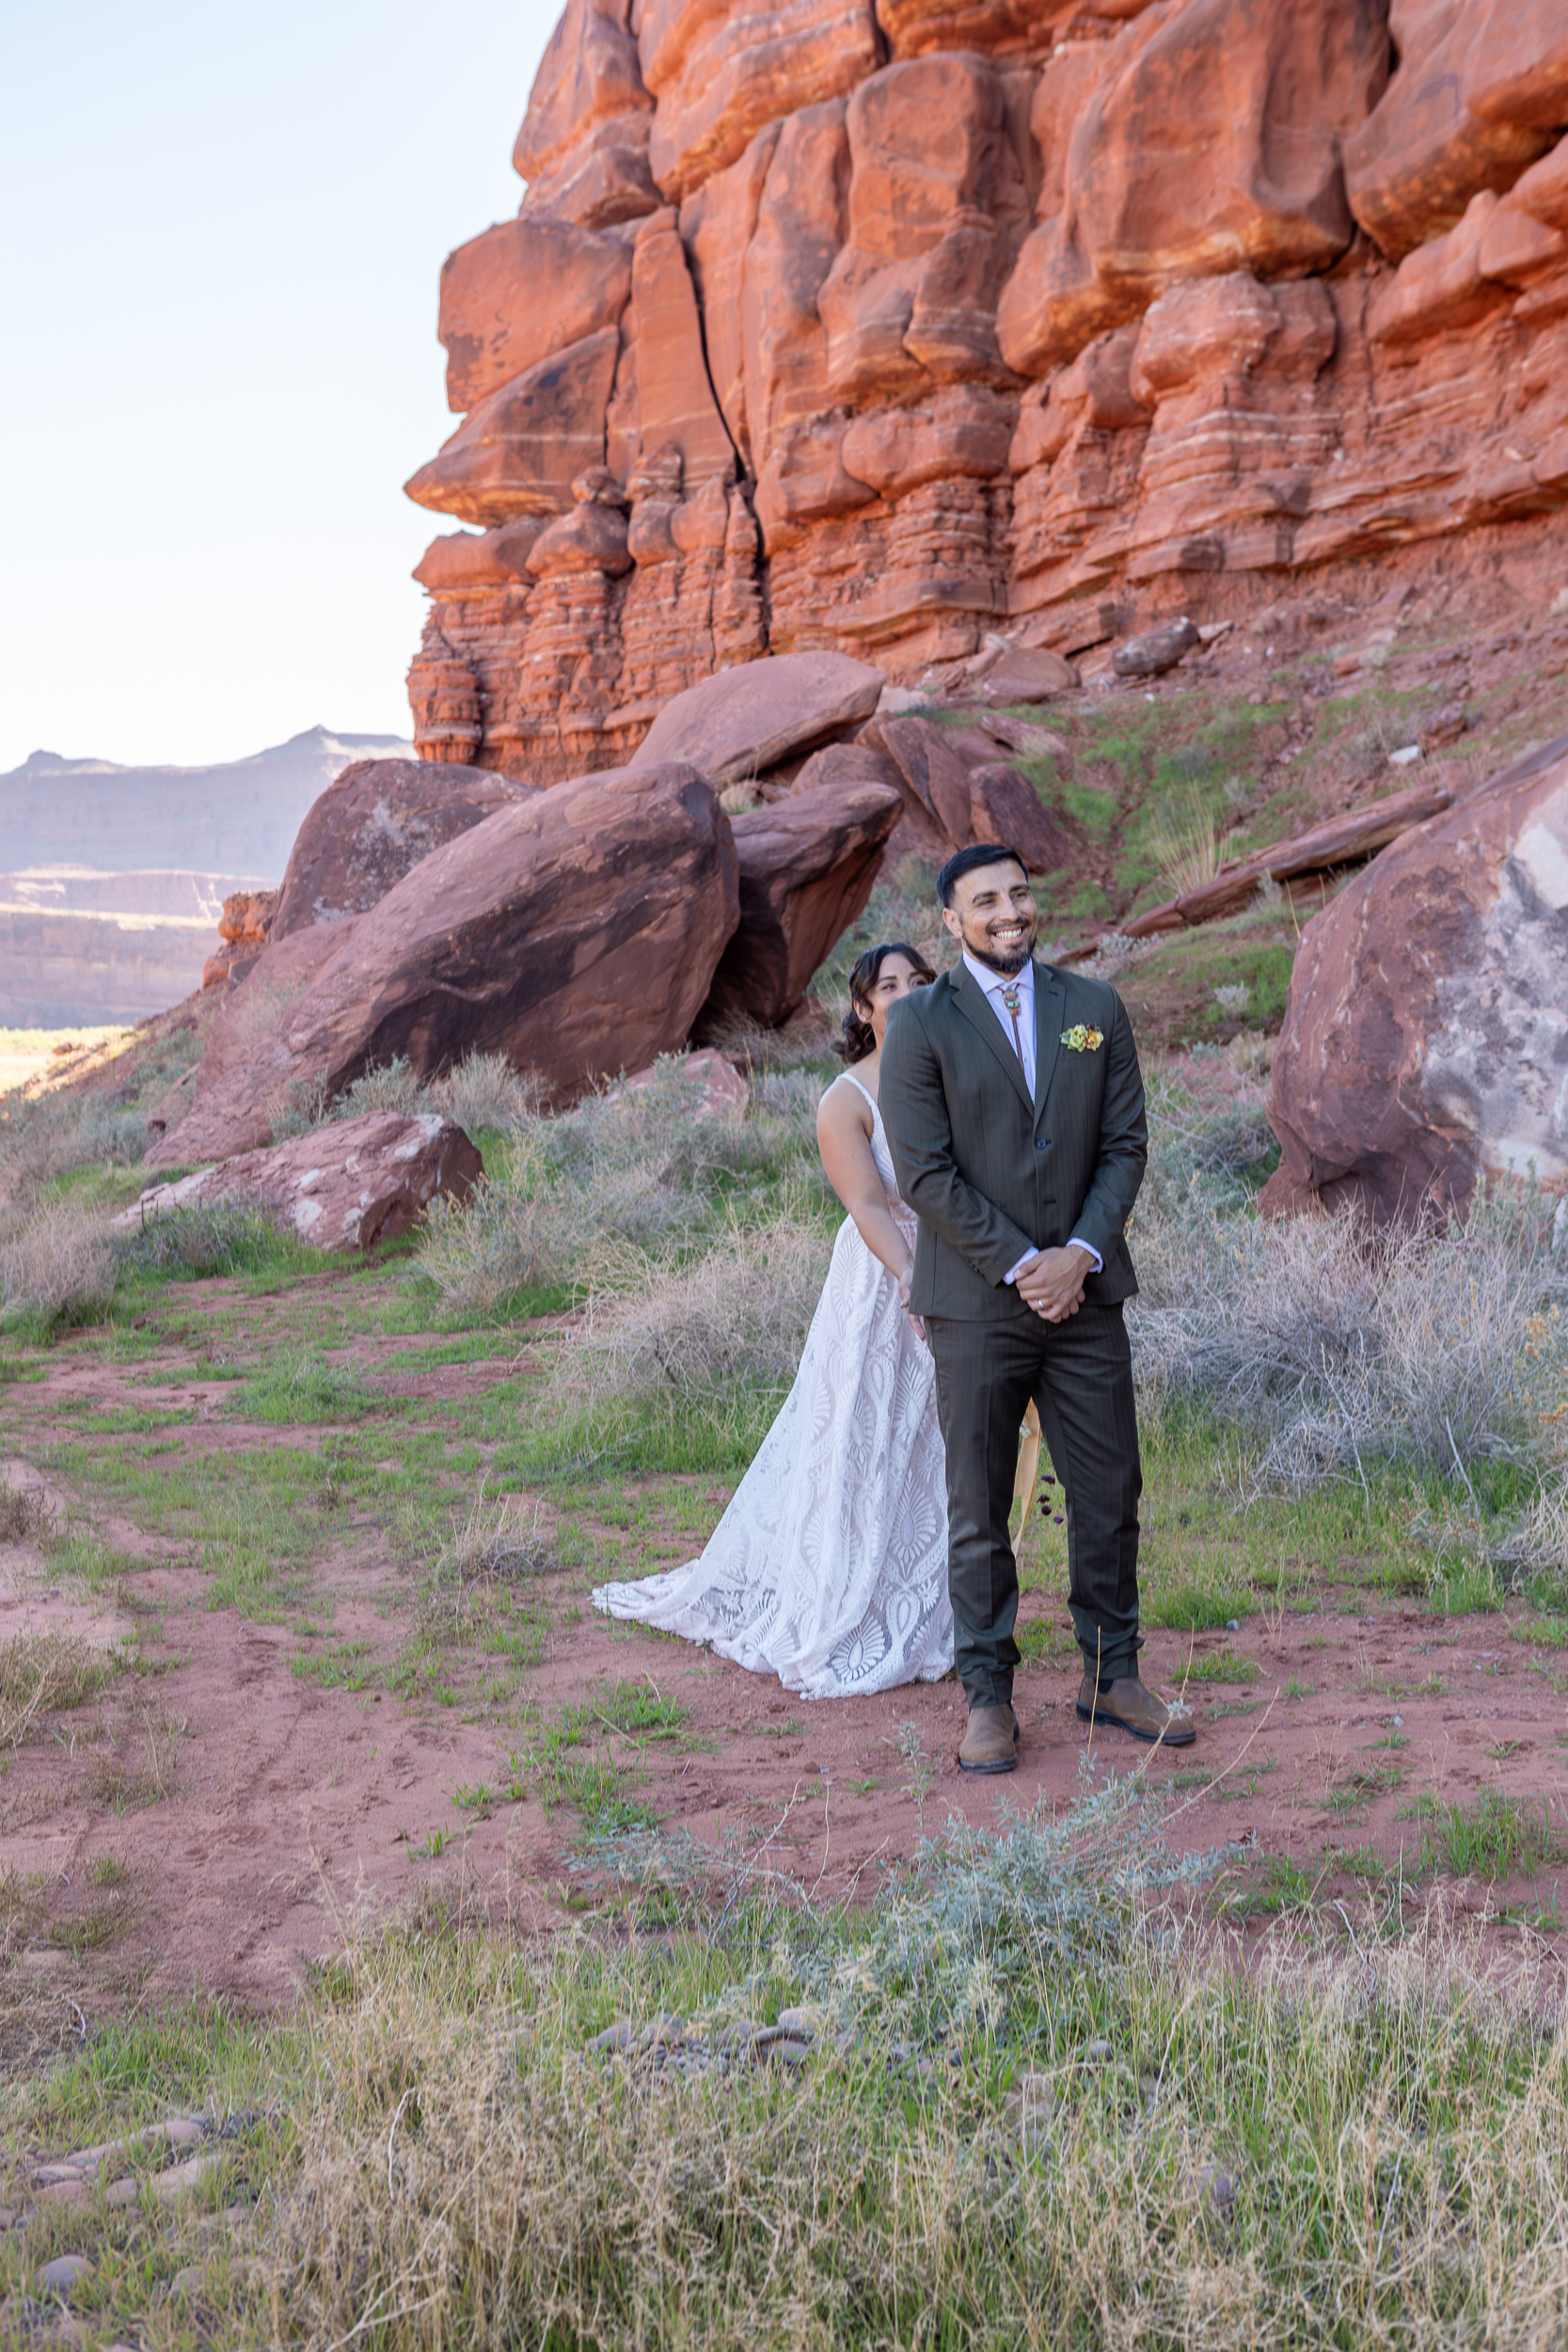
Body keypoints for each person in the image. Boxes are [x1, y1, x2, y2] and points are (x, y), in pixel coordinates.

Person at [879, 843, 1195, 1772]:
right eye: (985, 900)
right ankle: (987, 1696)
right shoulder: (919, 1024)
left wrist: (1077, 1255)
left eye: (1018, 892)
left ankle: (1110, 1674)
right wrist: (1025, 1264)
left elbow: (1124, 1144)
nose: (1008, 911)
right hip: (978, 1302)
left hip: (1087, 1294)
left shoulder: (1091, 1007)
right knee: (976, 1504)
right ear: (951, 920)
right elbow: (924, 1173)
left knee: (1107, 1490)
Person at [592, 943, 954, 1697]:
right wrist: (912, 1282)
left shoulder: (955, 1078)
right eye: (889, 986)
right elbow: (863, 1203)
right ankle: (846, 1596)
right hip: (886, 1276)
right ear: (863, 1009)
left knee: (937, 1438)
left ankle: (933, 1601)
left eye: (920, 981)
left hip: (960, 1266)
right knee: (864, 1429)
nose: (909, 994)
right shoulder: (846, 1100)